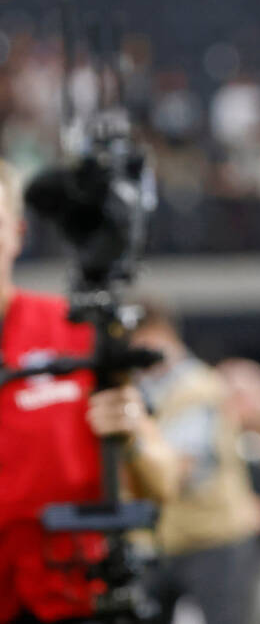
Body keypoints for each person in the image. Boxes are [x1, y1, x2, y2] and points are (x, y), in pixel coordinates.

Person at [0, 159, 178, 624]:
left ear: (17, 233)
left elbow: (163, 482)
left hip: (76, 597)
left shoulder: (77, 328)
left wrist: (134, 430)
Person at [128, 298, 260, 624]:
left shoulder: (198, 386)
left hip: (214, 537)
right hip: (158, 540)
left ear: (163, 334)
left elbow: (181, 470)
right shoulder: (139, 387)